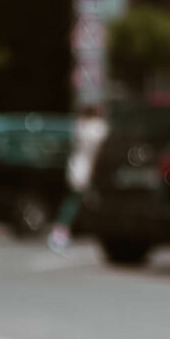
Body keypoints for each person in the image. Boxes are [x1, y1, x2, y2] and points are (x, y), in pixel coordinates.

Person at [51, 104, 111, 253]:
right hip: (87, 169)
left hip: (77, 166)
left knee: (75, 200)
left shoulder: (80, 126)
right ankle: (61, 231)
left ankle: (62, 231)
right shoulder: (98, 128)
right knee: (75, 201)